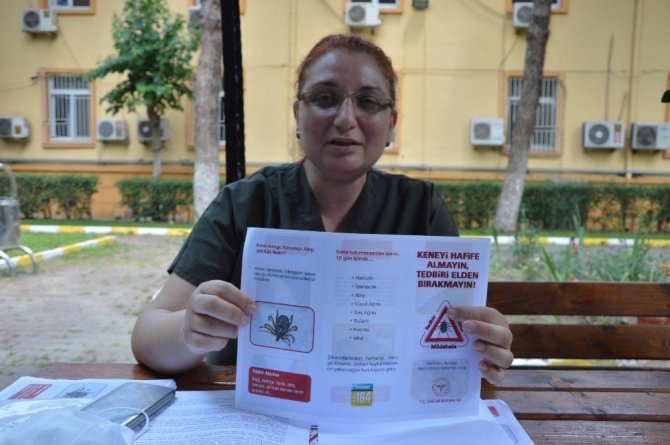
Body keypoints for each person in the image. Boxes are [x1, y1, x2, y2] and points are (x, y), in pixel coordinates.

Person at [131, 34, 513, 384]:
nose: (345, 120)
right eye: (325, 98)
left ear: (391, 123)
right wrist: (188, 332)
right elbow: (148, 335)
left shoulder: (421, 209)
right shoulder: (244, 204)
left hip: (379, 417)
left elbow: (456, 336)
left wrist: (483, 343)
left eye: (368, 102)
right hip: (257, 416)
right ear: (298, 114)